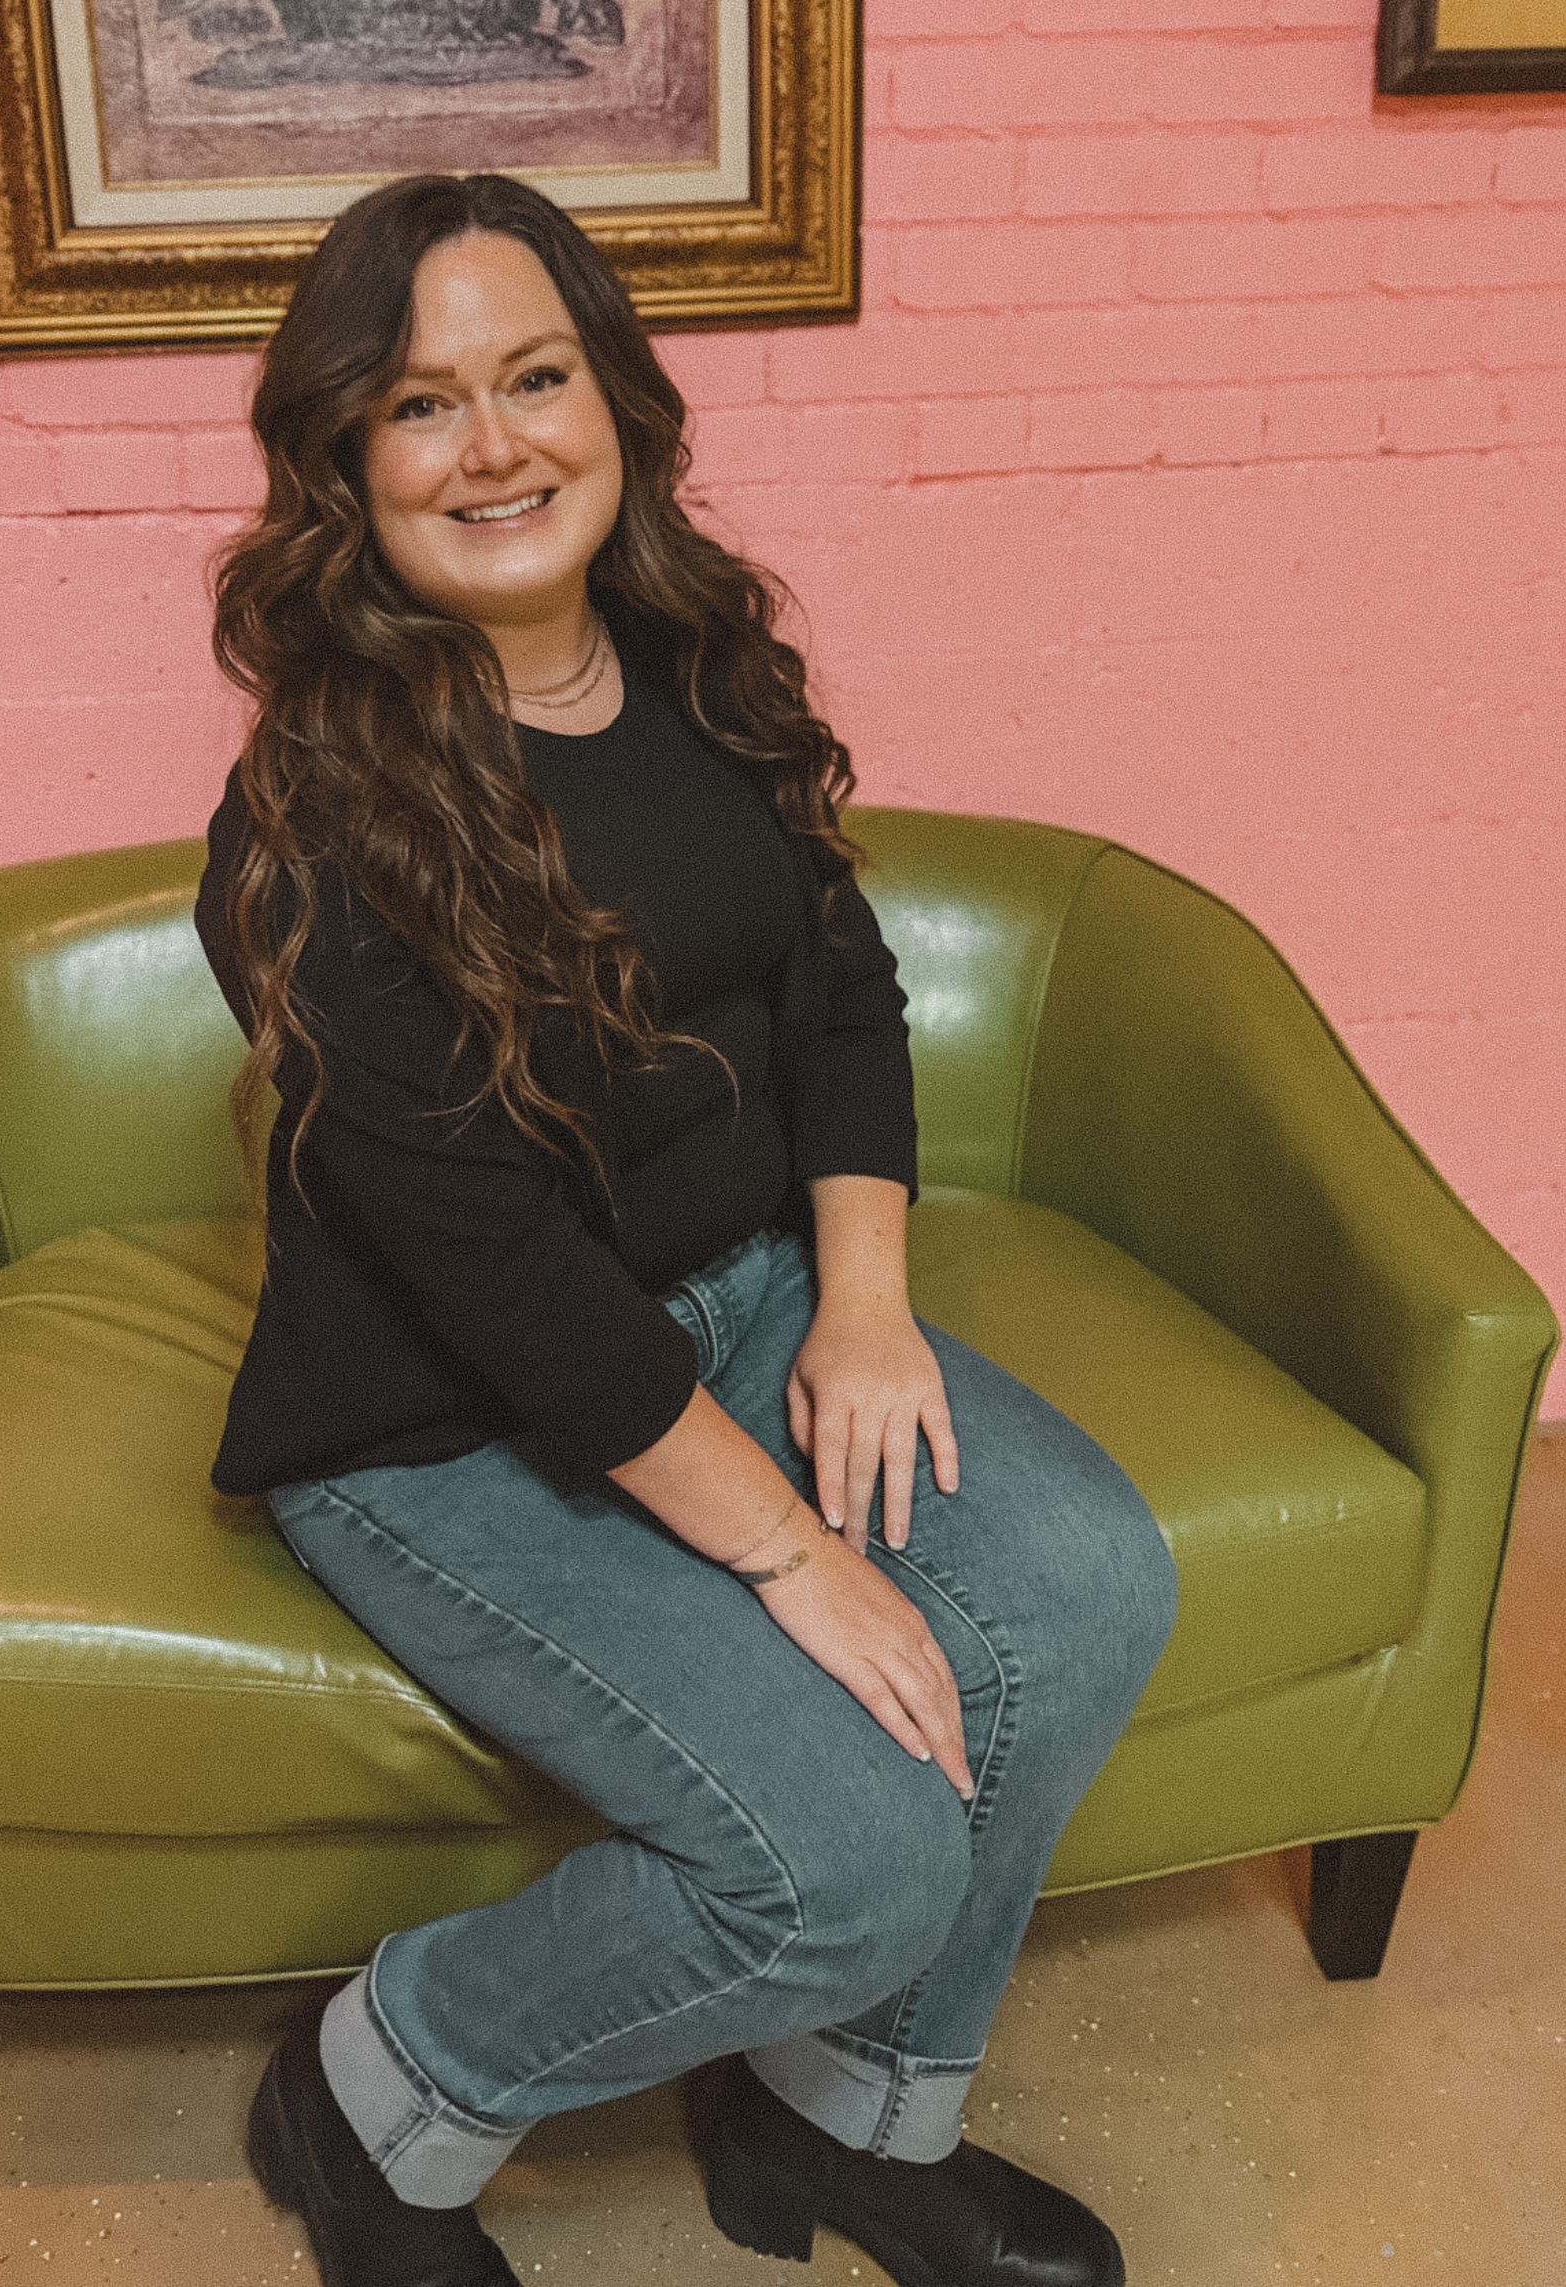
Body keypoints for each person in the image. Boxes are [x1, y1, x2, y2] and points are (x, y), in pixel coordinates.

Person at [193, 172, 1177, 2287]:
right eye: (421, 403)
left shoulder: (698, 663)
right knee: (841, 1862)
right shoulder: (307, 823)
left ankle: (843, 2122)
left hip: (733, 1309)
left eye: (535, 375)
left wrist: (866, 1297)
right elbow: (499, 1278)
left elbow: (838, 989)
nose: (495, 443)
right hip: (438, 1424)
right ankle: (371, 2090)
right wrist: (789, 1548)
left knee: (1088, 1582)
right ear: (346, 467)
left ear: (615, 398)